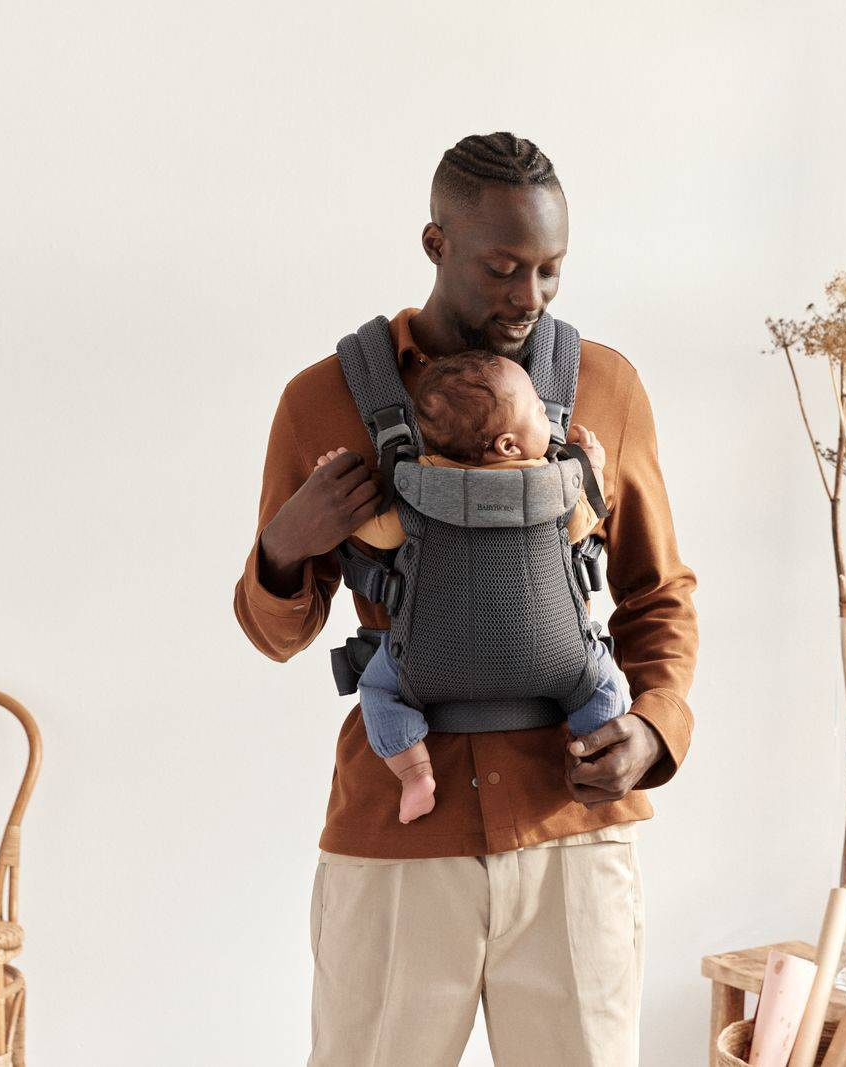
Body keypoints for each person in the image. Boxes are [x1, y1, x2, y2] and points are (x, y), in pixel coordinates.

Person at [232, 130, 698, 1066]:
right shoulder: (322, 400)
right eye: (503, 267)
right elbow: (277, 634)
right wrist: (285, 545)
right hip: (398, 833)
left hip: (573, 827)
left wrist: (654, 729)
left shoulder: (604, 386)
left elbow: (657, 592)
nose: (530, 296)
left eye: (551, 269)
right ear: (436, 243)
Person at [314, 349, 628, 825]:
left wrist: (338, 495)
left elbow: (375, 532)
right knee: (604, 681)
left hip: (426, 663)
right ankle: (589, 755)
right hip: (559, 660)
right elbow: (586, 522)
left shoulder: (417, 490)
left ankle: (415, 774)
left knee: (376, 689)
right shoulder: (559, 487)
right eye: (538, 409)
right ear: (508, 445)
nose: (546, 413)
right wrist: (595, 468)